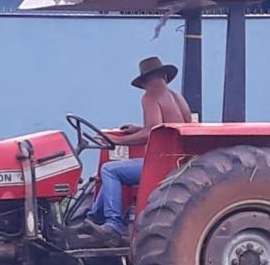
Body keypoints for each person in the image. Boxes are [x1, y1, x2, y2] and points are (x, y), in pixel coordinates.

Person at [83, 56, 193, 246]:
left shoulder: (150, 97)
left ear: (143, 81)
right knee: (115, 171)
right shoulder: (177, 98)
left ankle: (113, 225)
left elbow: (152, 131)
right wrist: (137, 129)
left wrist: (117, 140)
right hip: (178, 162)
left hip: (160, 164)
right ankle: (93, 217)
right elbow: (172, 126)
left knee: (110, 170)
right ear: (165, 76)